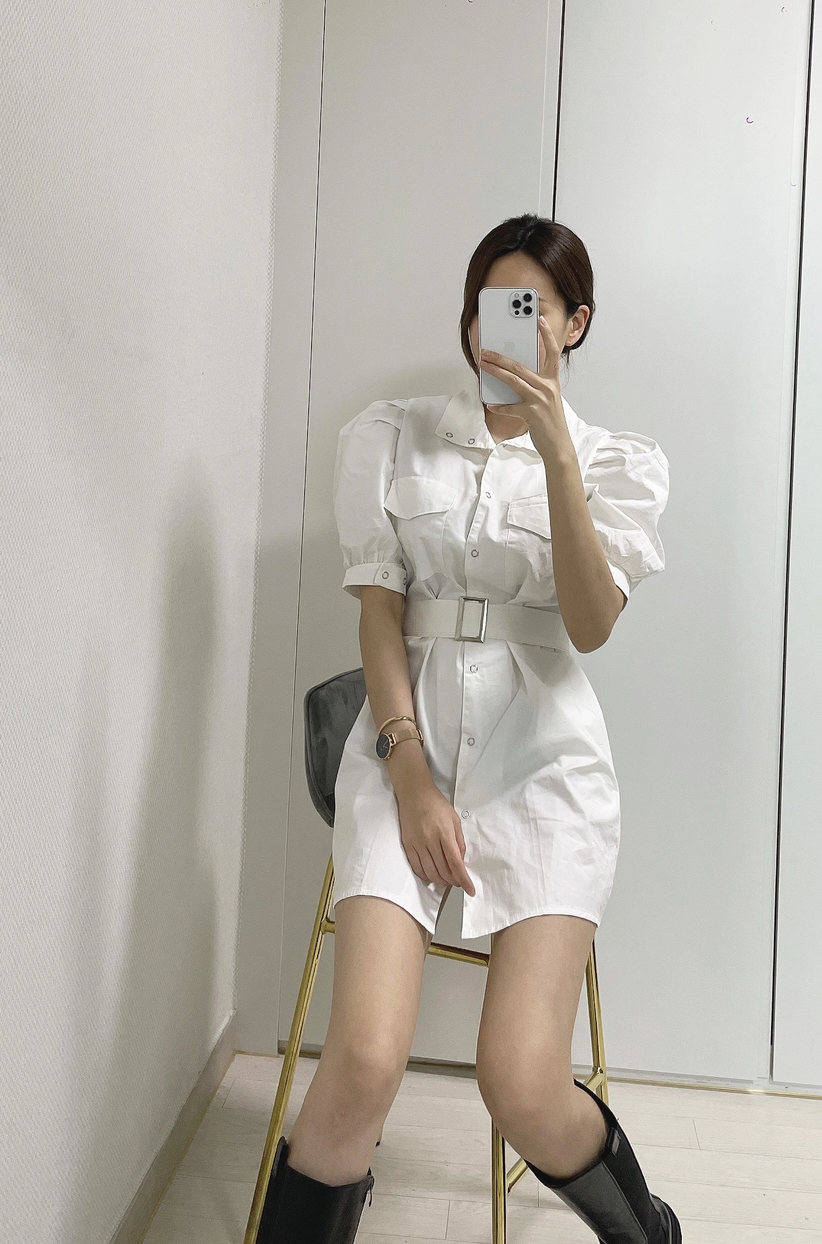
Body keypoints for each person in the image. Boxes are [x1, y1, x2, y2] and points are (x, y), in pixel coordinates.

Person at [256, 214, 679, 1244]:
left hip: (545, 767)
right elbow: (379, 611)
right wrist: (407, 772)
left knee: (520, 1080)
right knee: (363, 1058)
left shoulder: (617, 463)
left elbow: (590, 622)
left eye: (531, 306)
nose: (501, 326)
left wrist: (557, 453)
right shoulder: (388, 433)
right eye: (489, 302)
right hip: (402, 752)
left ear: (574, 323)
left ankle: (648, 1233)